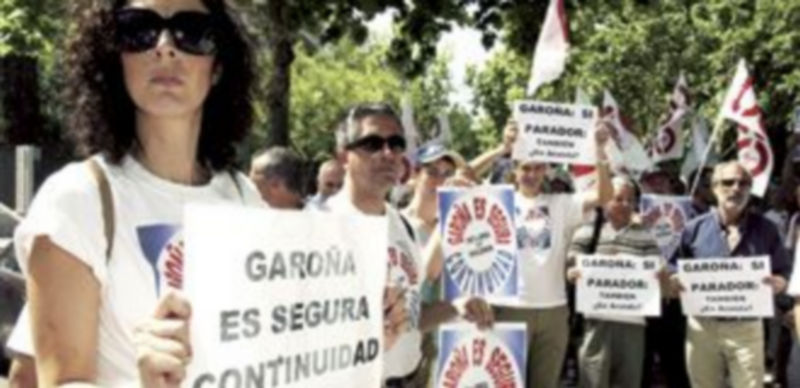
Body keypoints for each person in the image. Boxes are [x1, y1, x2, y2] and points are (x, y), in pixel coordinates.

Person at [7, 0, 264, 386]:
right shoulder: (77, 200)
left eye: (192, 32)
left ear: (218, 68)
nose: (165, 46)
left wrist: (362, 323)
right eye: (138, 30)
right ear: (116, 60)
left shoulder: (244, 196)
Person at [326, 102, 494, 387]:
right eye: (372, 143)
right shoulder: (318, 225)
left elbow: (413, 319)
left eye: (396, 143)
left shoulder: (402, 227)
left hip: (409, 378)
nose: (388, 153)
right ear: (344, 155)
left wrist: (456, 306)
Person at [492, 119, 613, 388]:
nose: (532, 174)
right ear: (515, 169)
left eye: (537, 168)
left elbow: (605, 196)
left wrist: (600, 151)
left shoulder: (561, 204)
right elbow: (460, 182)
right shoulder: (499, 202)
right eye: (525, 168)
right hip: (511, 308)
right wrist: (502, 146)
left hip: (554, 312)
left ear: (546, 170)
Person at [669, 161, 791, 388]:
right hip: (702, 327)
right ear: (714, 187)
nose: (736, 188)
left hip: (747, 328)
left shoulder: (766, 229)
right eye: (728, 182)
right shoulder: (693, 229)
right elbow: (675, 267)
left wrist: (780, 282)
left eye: (743, 183)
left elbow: (783, 270)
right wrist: (674, 280)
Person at [566, 176, 663, 388]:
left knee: (628, 381)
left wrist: (657, 274)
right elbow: (571, 264)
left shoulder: (646, 237)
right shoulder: (586, 232)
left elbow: (658, 270)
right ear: (605, 201)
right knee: (593, 380)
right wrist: (575, 272)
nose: (625, 205)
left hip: (633, 326)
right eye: (619, 199)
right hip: (595, 324)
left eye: (630, 200)